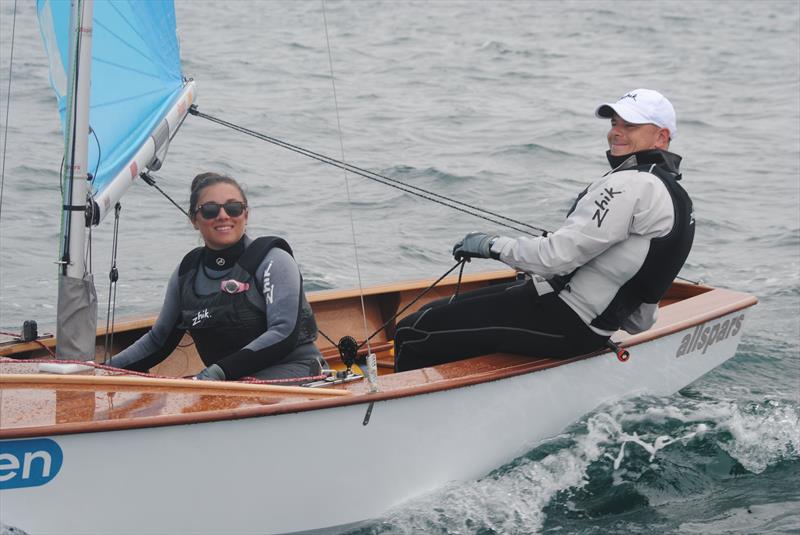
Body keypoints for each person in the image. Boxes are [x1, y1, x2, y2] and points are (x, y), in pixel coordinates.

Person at [394, 88, 694, 372]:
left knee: (412, 331)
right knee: (431, 312)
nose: (615, 131)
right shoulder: (677, 197)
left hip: (563, 319)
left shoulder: (632, 184)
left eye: (629, 125)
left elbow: (556, 257)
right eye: (615, 123)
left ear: (661, 137)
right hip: (576, 320)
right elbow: (642, 317)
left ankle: (401, 416)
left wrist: (490, 245)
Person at [109, 172, 326, 381]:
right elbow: (158, 342)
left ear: (246, 215)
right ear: (194, 219)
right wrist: (104, 370)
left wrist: (218, 373)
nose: (223, 215)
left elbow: (283, 333)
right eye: (210, 210)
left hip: (294, 372)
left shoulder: (273, 261)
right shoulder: (186, 272)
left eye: (234, 208)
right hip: (226, 382)